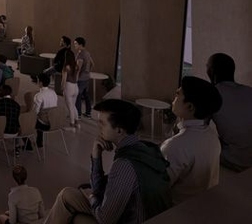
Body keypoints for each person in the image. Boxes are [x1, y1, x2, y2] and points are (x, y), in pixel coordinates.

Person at [44, 99, 172, 224]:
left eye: (102, 124)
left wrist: (92, 197)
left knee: (77, 218)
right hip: (140, 215)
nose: (98, 127)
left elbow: (105, 218)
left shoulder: (124, 165)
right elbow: (101, 190)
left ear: (119, 130)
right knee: (67, 195)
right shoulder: (145, 148)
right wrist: (96, 156)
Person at [160, 76, 222, 204]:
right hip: (204, 205)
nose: (174, 97)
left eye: (178, 94)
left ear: (190, 107)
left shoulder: (176, 145)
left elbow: (159, 188)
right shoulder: (211, 135)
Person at [206, 52, 252, 172]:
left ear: (212, 72)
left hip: (234, 160)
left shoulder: (212, 94)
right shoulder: (249, 91)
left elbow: (197, 128)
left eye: (207, 67)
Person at [32, 73, 57, 149]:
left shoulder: (39, 95)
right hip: (54, 122)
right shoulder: (54, 93)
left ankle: (28, 144)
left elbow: (35, 112)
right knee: (42, 117)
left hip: (44, 125)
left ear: (41, 83)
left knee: (27, 120)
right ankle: (39, 141)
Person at [74, 37, 95, 119]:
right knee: (86, 95)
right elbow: (93, 64)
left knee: (78, 95)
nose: (74, 45)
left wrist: (75, 79)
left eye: (76, 43)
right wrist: (88, 72)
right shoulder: (87, 53)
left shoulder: (80, 54)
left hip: (80, 79)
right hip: (86, 78)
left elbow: (78, 69)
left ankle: (78, 114)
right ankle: (88, 113)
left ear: (81, 45)